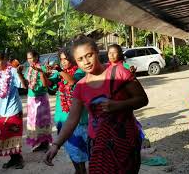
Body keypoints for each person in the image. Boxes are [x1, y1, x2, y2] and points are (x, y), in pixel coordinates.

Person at [45, 35, 148, 173]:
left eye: (89, 55)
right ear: (76, 62)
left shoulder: (119, 72)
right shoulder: (81, 86)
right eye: (80, 59)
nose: (86, 62)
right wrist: (56, 145)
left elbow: (142, 99)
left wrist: (118, 105)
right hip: (98, 144)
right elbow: (72, 119)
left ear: (97, 52)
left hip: (125, 141)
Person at [48, 47, 88, 174]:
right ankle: (79, 171)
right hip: (62, 118)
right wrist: (42, 73)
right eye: (61, 59)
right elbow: (48, 85)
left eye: (66, 59)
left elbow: (71, 81)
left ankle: (81, 172)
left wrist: (59, 70)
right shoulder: (60, 73)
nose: (63, 62)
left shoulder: (80, 71)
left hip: (77, 120)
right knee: (71, 150)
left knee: (79, 151)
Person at [21, 50, 52, 152]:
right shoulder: (28, 69)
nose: (29, 60)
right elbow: (26, 84)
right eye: (28, 58)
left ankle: (45, 143)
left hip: (41, 98)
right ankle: (40, 142)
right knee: (34, 121)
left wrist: (40, 72)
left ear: (36, 57)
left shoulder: (41, 68)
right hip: (31, 98)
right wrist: (19, 74)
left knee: (42, 120)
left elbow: (44, 84)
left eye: (31, 58)